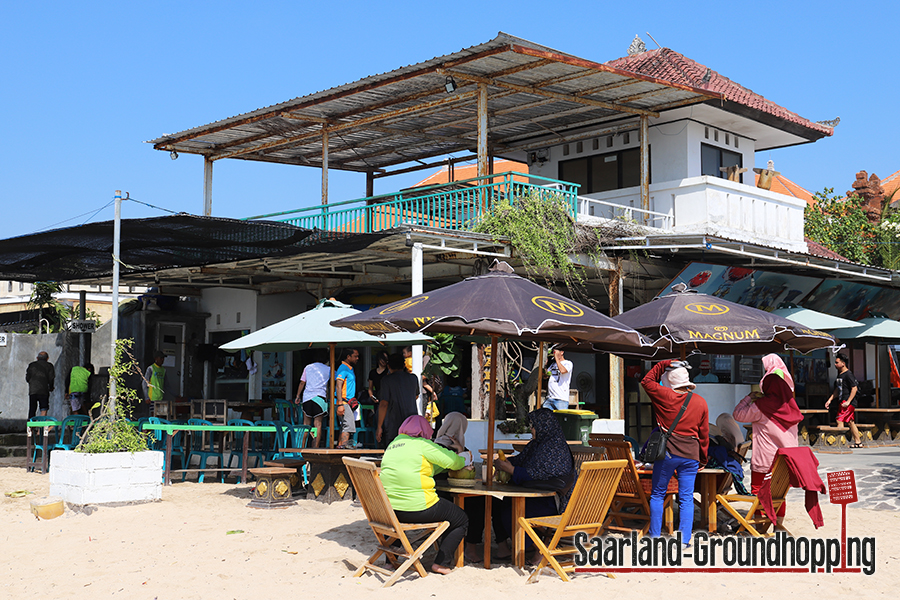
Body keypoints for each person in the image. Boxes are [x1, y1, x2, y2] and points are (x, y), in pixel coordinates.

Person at [379, 415, 467, 575]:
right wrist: (461, 453)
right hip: (419, 508)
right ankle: (441, 563)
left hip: (390, 511)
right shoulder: (422, 445)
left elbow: (423, 469)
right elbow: (455, 462)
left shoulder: (393, 445)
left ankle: (390, 561)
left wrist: (443, 468)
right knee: (460, 519)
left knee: (398, 512)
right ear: (423, 431)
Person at [492, 408, 576, 562]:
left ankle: (538, 549)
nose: (531, 429)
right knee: (497, 502)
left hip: (552, 500)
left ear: (544, 426)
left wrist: (511, 470)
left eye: (533, 426)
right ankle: (503, 548)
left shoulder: (556, 448)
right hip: (534, 493)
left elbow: (539, 474)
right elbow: (521, 460)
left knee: (511, 511)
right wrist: (506, 463)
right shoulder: (537, 444)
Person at [641, 359, 709, 547]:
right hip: (692, 455)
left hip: (668, 453)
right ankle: (684, 540)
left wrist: (664, 363)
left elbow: (647, 381)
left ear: (670, 381)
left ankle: (655, 537)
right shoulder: (701, 402)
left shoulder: (664, 395)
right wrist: (703, 459)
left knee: (657, 494)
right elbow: (704, 435)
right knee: (686, 498)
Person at [376, 352, 420, 447]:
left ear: (388, 366)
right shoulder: (413, 378)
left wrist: (379, 426)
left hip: (394, 421)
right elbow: (416, 395)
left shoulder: (386, 380)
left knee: (394, 448)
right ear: (404, 365)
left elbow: (384, 403)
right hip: (411, 420)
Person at [825, 353, 862, 447]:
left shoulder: (848, 374)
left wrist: (849, 401)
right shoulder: (840, 375)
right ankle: (858, 442)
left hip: (847, 402)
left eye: (837, 362)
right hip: (842, 401)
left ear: (843, 363)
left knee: (839, 420)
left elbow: (854, 388)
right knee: (850, 422)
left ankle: (840, 443)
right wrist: (830, 400)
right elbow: (837, 390)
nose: (835, 364)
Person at [294, 352, 330, 448]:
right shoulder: (328, 369)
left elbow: (302, 383)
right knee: (318, 424)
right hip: (319, 397)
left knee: (306, 424)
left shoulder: (308, 367)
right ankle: (315, 448)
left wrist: (298, 396)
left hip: (307, 398)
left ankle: (302, 448)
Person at [142, 351, 181, 418]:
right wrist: (146, 397)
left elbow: (167, 385)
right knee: (153, 416)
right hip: (152, 398)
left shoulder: (163, 370)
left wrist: (176, 395)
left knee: (160, 416)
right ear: (156, 358)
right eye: (161, 358)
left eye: (163, 358)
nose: (162, 360)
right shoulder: (151, 368)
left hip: (160, 398)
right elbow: (144, 383)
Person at [335, 348, 360, 449]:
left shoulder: (349, 368)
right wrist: (340, 403)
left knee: (345, 426)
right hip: (344, 402)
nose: (357, 358)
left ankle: (341, 447)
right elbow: (338, 385)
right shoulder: (343, 368)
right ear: (348, 357)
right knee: (348, 425)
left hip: (347, 402)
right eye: (355, 356)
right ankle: (344, 448)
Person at [26, 351, 55, 419]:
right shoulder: (49, 366)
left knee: (32, 409)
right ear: (47, 358)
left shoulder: (31, 365)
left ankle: (30, 427)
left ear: (37, 358)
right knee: (44, 408)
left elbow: (27, 378)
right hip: (44, 390)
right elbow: (51, 378)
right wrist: (51, 387)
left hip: (33, 390)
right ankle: (41, 426)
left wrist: (32, 383)